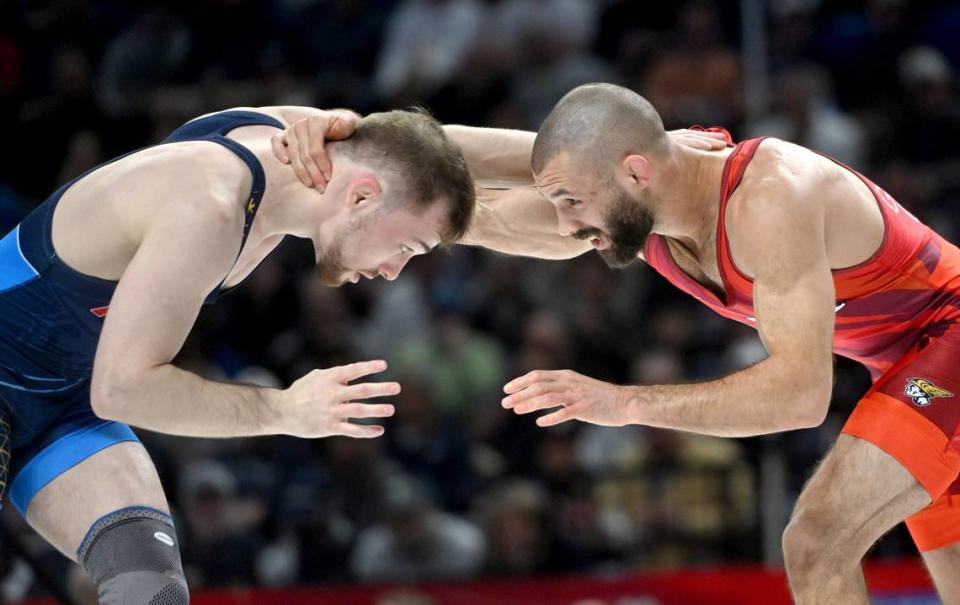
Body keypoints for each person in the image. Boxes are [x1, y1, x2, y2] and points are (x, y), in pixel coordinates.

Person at [279, 84, 960, 604]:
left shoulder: (771, 197)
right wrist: (354, 142)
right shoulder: (647, 185)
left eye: (573, 201)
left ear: (635, 173)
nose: (565, 221)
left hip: (947, 340)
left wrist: (623, 402)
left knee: (816, 540)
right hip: (909, 371)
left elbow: (801, 394)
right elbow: (497, 170)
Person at [0, 105, 474, 603]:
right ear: (361, 194)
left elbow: (440, 150)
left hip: (65, 404)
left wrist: (564, 188)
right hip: (59, 381)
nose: (395, 270)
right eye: (409, 247)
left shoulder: (287, 148)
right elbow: (123, 391)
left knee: (152, 591)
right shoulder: (209, 202)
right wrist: (285, 410)